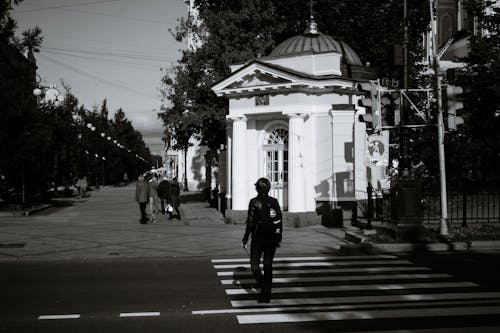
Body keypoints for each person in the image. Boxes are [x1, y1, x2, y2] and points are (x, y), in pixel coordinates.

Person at [242, 177, 282, 303]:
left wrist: (245, 238)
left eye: (256, 186)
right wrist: (279, 237)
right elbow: (279, 221)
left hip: (258, 238)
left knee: (255, 266)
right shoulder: (274, 201)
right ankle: (267, 293)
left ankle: (264, 290)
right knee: (268, 265)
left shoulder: (254, 202)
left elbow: (250, 221)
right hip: (272, 238)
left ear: (258, 188)